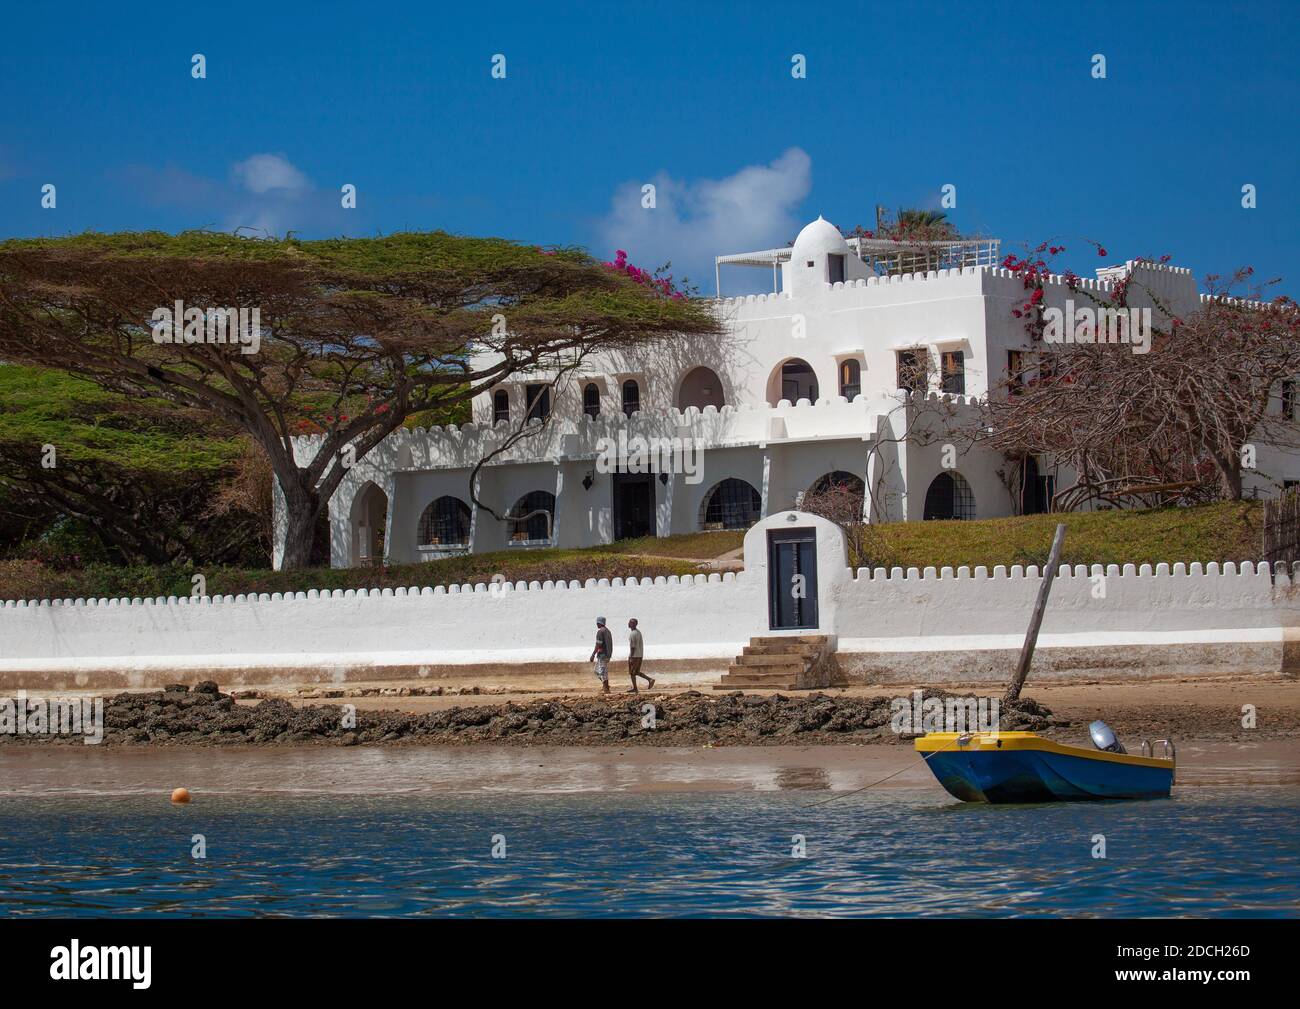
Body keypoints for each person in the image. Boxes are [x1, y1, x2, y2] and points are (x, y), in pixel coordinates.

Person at [626, 618, 654, 693]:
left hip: (634, 656)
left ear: (633, 624)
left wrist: (631, 657)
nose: (628, 623)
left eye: (630, 622)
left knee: (632, 673)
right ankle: (650, 680)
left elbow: (633, 647)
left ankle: (635, 688)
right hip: (639, 655)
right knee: (636, 672)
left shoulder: (633, 634)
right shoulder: (638, 632)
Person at [588, 616, 613, 694]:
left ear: (599, 623)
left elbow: (598, 644)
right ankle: (606, 686)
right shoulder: (608, 631)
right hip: (607, 654)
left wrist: (593, 654)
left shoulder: (600, 632)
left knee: (601, 672)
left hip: (602, 655)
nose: (596, 624)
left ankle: (606, 689)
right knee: (597, 671)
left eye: (597, 623)